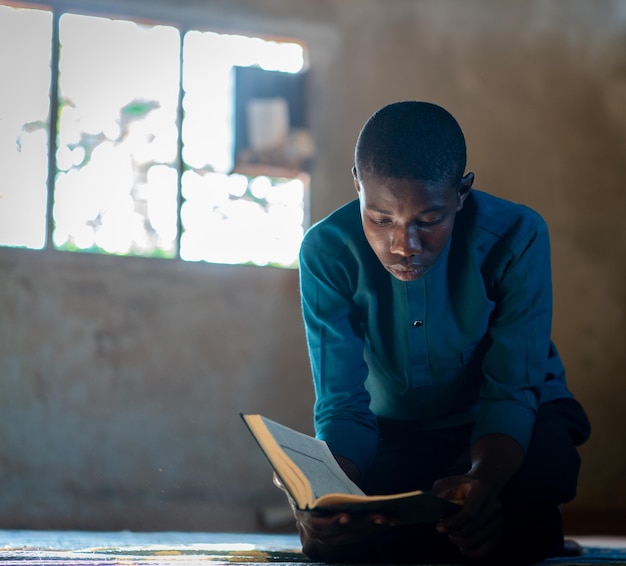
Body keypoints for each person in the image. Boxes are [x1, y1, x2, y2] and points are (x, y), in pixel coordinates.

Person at [283, 101, 591, 564]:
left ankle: (525, 525)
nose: (403, 246)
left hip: (515, 422)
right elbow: (342, 404)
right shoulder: (326, 251)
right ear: (357, 185)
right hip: (400, 432)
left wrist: (483, 479)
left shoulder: (519, 235)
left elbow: (513, 391)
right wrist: (327, 495)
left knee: (534, 484)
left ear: (462, 192)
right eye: (380, 218)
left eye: (429, 221)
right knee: (349, 536)